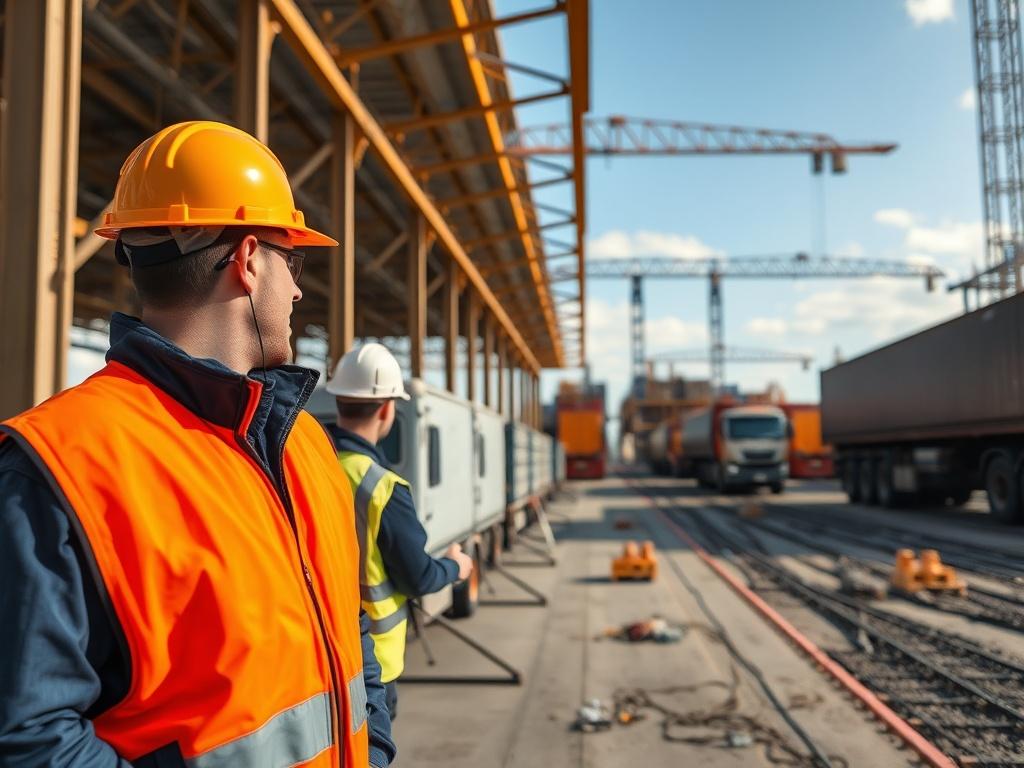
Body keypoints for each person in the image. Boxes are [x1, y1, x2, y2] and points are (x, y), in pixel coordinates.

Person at [0, 121, 395, 767]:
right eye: (289, 261)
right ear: (245, 261)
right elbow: (28, 741)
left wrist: (374, 750)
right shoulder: (55, 468)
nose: (297, 289)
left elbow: (348, 633)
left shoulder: (304, 445)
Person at [325, 343, 474, 720]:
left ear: (339, 400)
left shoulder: (307, 464)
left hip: (316, 655)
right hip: (372, 663)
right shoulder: (383, 487)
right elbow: (419, 577)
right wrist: (456, 567)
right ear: (389, 408)